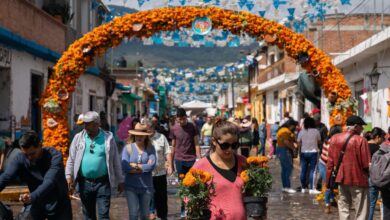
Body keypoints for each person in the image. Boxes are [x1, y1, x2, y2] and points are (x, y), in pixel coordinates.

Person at [66, 111, 124, 220]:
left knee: (103, 215)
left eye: (89, 124)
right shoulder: (78, 138)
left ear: (97, 124)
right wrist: (69, 176)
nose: (86, 126)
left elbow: (115, 160)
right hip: (84, 183)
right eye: (85, 124)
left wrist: (120, 180)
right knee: (88, 216)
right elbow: (71, 159)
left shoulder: (108, 139)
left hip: (103, 183)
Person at [0, 130, 72, 219]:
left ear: (40, 145)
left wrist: (32, 196)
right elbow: (6, 176)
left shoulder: (54, 156)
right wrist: (33, 197)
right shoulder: (21, 158)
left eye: (32, 153)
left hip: (58, 204)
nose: (29, 158)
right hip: (37, 202)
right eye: (26, 154)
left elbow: (49, 181)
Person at [192, 118, 246, 219]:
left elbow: (253, 195)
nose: (230, 149)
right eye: (225, 145)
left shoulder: (243, 163)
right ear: (214, 141)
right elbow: (189, 198)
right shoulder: (201, 166)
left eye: (234, 145)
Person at [326, 115, 371, 220]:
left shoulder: (334, 138)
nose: (362, 129)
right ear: (355, 126)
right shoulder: (361, 140)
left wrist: (328, 182)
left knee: (343, 208)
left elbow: (330, 163)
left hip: (341, 179)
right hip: (358, 179)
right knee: (361, 210)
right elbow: (366, 164)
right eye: (361, 126)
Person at [170, 108, 201, 218]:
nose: (181, 121)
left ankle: (193, 208)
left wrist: (198, 158)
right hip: (179, 160)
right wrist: (171, 164)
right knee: (183, 186)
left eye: (183, 119)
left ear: (186, 117)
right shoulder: (174, 129)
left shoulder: (192, 127)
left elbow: (196, 143)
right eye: (179, 119)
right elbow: (173, 146)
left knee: (193, 184)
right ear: (177, 119)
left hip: (191, 159)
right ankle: (183, 209)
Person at [122, 123, 156, 220]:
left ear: (146, 137)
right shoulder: (127, 148)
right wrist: (143, 167)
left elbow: (151, 166)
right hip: (131, 186)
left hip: (146, 187)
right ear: (134, 135)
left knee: (145, 215)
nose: (139, 137)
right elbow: (125, 167)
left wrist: (135, 166)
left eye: (142, 135)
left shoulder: (150, 148)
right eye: (137, 134)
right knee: (133, 214)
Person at [149, 123, 173, 220]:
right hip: (147, 173)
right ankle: (151, 212)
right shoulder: (143, 138)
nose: (147, 131)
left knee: (162, 196)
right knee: (150, 195)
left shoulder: (161, 137)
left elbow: (167, 152)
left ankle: (163, 216)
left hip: (161, 172)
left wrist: (170, 165)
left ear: (153, 128)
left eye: (149, 128)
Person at [318, 125, 342, 214]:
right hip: (326, 165)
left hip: (325, 164)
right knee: (328, 185)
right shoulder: (332, 142)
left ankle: (331, 200)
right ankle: (327, 205)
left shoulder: (330, 140)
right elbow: (331, 158)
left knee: (331, 185)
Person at [365, 127, 386, 220]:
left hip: (368, 177)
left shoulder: (364, 145)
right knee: (384, 201)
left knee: (371, 203)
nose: (383, 140)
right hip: (381, 177)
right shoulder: (379, 148)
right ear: (377, 137)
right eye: (382, 138)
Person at [297, 117, 321, 194]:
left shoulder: (302, 131)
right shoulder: (316, 131)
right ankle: (312, 188)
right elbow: (319, 141)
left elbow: (298, 143)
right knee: (313, 171)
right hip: (314, 152)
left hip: (303, 153)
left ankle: (303, 187)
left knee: (303, 170)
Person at [276, 119, 298, 193]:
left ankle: (285, 186)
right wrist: (293, 148)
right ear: (291, 125)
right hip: (284, 150)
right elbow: (286, 141)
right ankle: (287, 187)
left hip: (281, 150)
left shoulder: (282, 130)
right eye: (294, 126)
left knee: (284, 169)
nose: (294, 128)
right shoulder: (285, 131)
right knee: (288, 168)